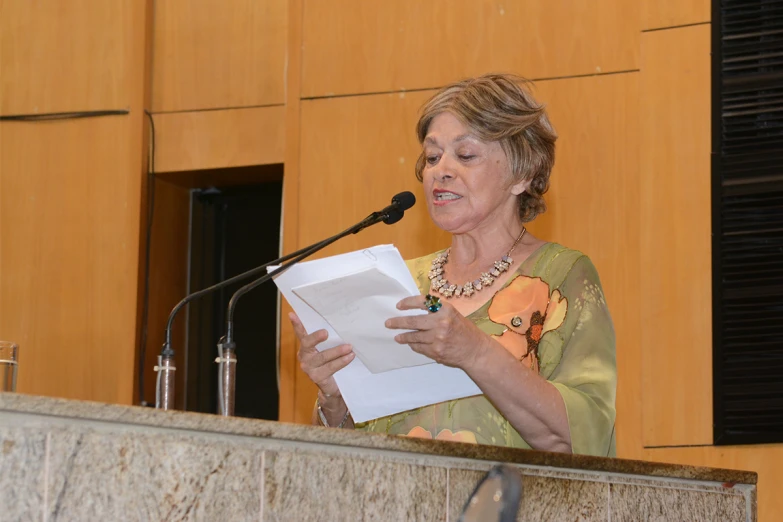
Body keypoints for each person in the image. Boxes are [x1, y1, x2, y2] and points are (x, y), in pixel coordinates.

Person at [289, 74, 616, 456]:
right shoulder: (399, 284)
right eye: (432, 157)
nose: (440, 170)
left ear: (522, 174)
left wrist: (473, 351)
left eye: (465, 155)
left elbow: (582, 436)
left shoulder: (562, 276)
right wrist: (335, 396)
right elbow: (345, 456)